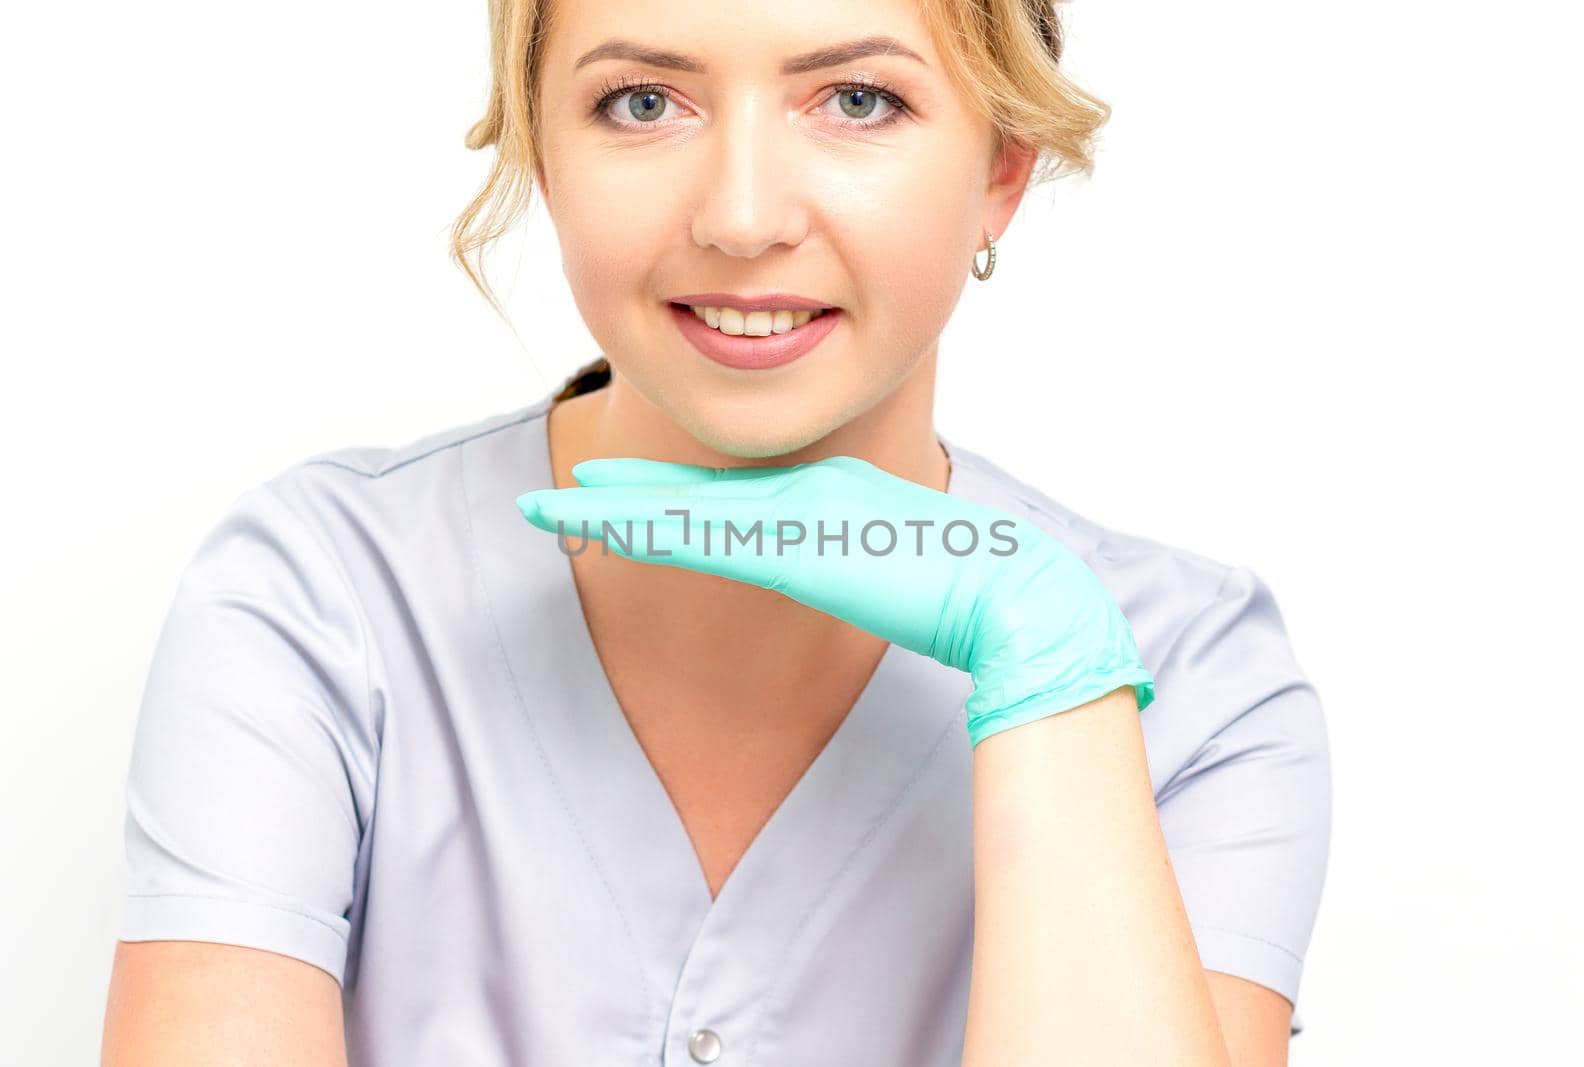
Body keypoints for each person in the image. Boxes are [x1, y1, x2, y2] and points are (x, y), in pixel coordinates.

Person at [101, 0, 1332, 1064]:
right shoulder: (322, 597)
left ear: (1002, 168)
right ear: (542, 147)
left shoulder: (1199, 683)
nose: (741, 218)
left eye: (857, 99)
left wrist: (1053, 687)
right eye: (642, 102)